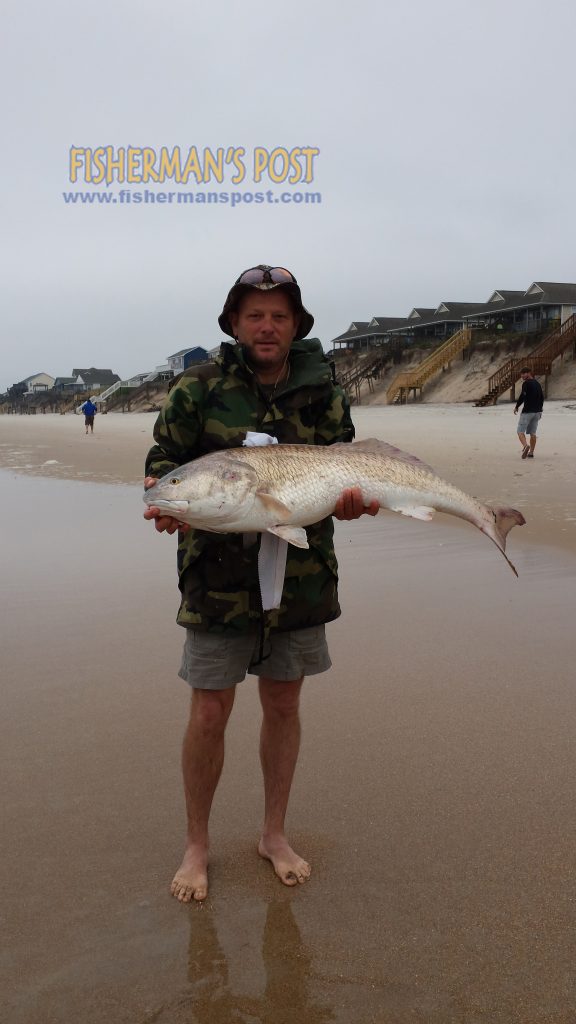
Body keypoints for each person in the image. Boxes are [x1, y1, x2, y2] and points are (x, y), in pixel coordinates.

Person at [143, 264, 379, 903]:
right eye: (255, 315)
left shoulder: (324, 390)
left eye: (279, 315)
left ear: (297, 323)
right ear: (234, 322)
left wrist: (353, 502)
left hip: (300, 576)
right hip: (216, 580)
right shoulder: (197, 388)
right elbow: (161, 468)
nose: (267, 326)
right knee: (209, 711)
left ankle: (273, 834)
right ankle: (197, 844)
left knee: (283, 704)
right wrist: (166, 502)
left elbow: (344, 462)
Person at [514, 367, 544, 459]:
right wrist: (540, 409)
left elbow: (523, 396)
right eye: (521, 374)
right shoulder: (538, 383)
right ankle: (531, 453)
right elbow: (541, 397)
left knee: (520, 431)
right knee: (533, 433)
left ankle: (525, 446)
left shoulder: (526, 383)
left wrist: (517, 406)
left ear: (529, 373)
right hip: (537, 412)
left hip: (527, 412)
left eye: (524, 373)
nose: (522, 375)